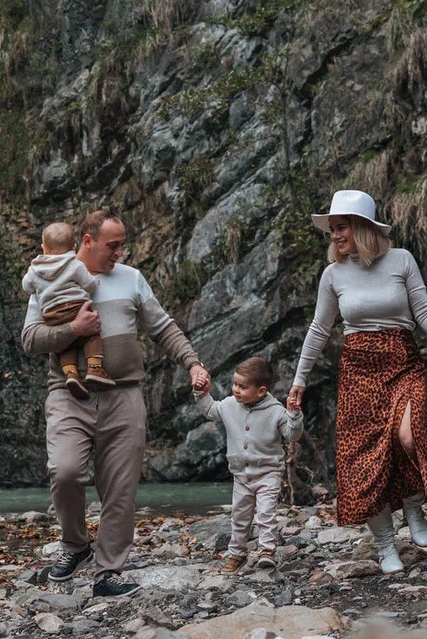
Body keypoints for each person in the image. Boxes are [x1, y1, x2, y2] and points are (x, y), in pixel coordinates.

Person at [22, 209, 210, 598]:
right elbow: (30, 338)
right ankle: (75, 545)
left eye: (123, 244)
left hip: (123, 393)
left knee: (120, 488)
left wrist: (192, 363)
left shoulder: (131, 279)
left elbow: (162, 327)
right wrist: (75, 330)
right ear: (87, 242)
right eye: (114, 245)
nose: (120, 253)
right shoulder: (51, 275)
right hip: (68, 392)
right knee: (65, 471)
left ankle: (109, 571)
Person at [287, 190, 427, 574]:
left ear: (363, 227)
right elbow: (319, 329)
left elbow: (423, 307)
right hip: (358, 369)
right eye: (331, 228)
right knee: (363, 461)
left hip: (402, 359)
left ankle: (414, 505)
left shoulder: (401, 260)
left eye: (341, 226)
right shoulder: (333, 274)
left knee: (409, 435)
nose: (334, 235)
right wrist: (299, 380)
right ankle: (385, 545)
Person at [192, 357, 303, 573]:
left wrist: (295, 415)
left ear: (261, 391)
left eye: (242, 387)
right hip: (241, 475)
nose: (236, 390)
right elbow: (210, 410)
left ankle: (267, 551)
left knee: (265, 514)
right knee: (239, 518)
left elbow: (292, 435)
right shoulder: (230, 405)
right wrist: (201, 393)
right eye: (235, 384)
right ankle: (237, 554)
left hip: (268, 473)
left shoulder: (276, 411)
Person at [21, 222, 112, 399]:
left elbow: (26, 287)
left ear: (44, 248)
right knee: (91, 335)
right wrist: (96, 283)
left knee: (63, 345)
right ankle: (94, 368)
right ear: (74, 247)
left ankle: (71, 374)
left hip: (51, 314)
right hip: (76, 308)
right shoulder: (75, 265)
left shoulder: (34, 270)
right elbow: (90, 285)